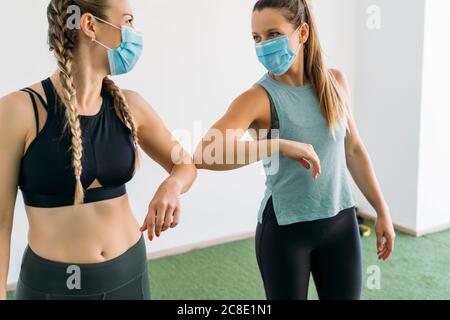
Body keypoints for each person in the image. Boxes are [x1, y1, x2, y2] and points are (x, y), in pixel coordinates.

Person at [194, 0, 395, 300]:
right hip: (285, 233)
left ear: (302, 33)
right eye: (256, 38)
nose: (263, 46)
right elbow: (205, 153)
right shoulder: (257, 98)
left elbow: (353, 150)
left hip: (341, 223)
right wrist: (277, 145)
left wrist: (382, 210)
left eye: (273, 33)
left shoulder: (335, 83)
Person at [0, 0, 197, 300]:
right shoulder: (19, 111)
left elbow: (185, 164)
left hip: (130, 275)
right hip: (52, 287)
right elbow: (1, 221)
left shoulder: (130, 106)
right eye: (128, 21)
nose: (134, 33)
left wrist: (172, 185)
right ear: (90, 25)